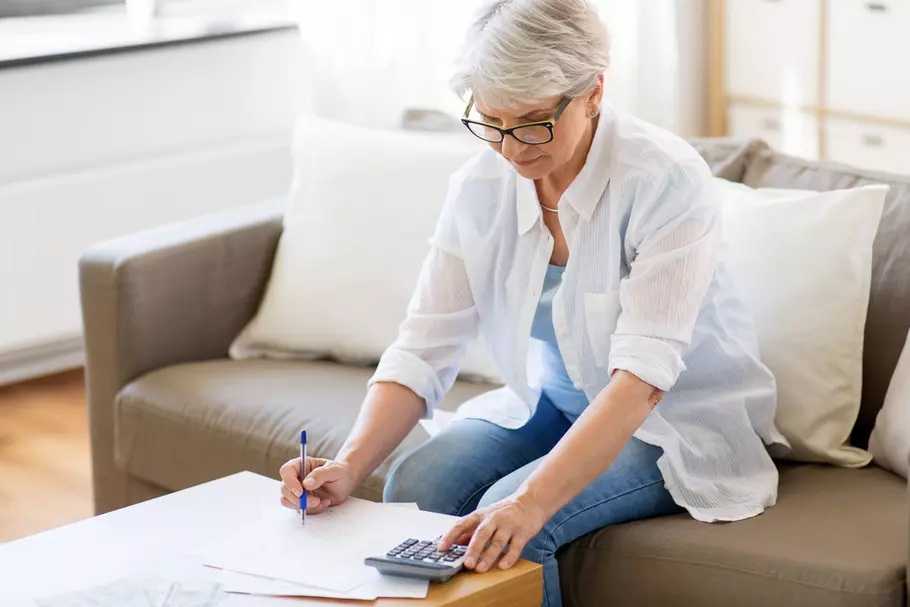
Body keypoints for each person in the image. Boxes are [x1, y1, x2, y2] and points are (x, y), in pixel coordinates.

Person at [279, 1, 789, 605]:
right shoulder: (481, 186)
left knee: (511, 529)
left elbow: (642, 381)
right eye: (491, 121)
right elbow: (424, 344)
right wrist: (349, 464)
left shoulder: (664, 180)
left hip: (670, 423)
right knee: (418, 484)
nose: (513, 148)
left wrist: (527, 504)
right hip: (557, 404)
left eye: (533, 121)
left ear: (594, 92)